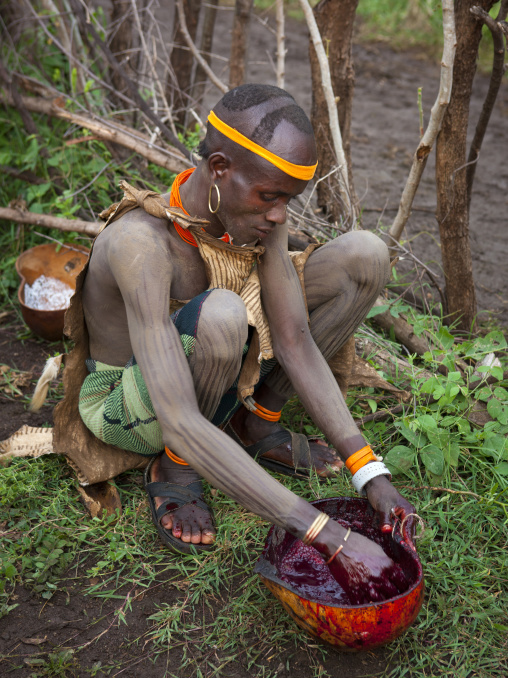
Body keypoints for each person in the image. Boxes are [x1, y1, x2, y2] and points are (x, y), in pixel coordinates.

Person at [78, 84, 415, 603]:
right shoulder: (139, 245)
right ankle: (174, 468)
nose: (280, 216)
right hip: (133, 400)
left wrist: (369, 471)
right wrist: (323, 531)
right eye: (269, 196)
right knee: (222, 315)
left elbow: (295, 339)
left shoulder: (256, 216)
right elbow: (182, 419)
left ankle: (257, 420)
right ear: (218, 168)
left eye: (288, 199)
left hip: (214, 361)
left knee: (366, 255)